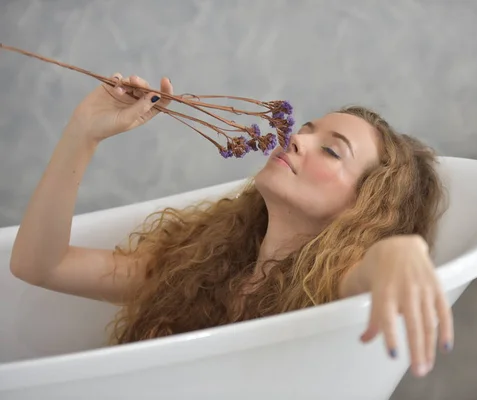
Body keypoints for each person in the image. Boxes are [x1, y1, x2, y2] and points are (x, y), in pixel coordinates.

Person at [10, 73, 454, 378]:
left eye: (332, 151)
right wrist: (84, 132)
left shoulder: (331, 289)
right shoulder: (200, 266)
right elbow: (41, 265)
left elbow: (371, 272)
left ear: (364, 208)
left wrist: (400, 251)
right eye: (306, 129)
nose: (295, 138)